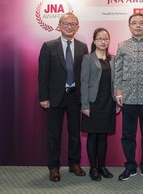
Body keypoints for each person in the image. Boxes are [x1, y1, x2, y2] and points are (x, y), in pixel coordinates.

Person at [38, 12, 88, 182]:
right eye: (66, 23)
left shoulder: (83, 47)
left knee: (75, 133)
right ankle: (53, 167)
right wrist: (43, 97)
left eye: (73, 24)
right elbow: (43, 74)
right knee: (54, 134)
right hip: (54, 97)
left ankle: (74, 164)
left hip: (75, 96)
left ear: (77, 27)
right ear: (59, 25)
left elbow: (84, 74)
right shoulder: (48, 46)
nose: (69, 26)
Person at [114, 13, 143, 181]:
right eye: (134, 23)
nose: (138, 25)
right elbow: (117, 71)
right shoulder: (122, 46)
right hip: (128, 98)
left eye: (141, 23)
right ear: (129, 26)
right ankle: (130, 166)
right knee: (128, 135)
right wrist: (118, 92)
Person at [81, 28, 119, 181]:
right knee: (93, 136)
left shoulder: (113, 59)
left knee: (103, 136)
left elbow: (117, 82)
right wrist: (85, 105)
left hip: (108, 102)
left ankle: (102, 166)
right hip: (93, 102)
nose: (103, 41)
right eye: (100, 38)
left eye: (106, 38)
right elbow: (83, 82)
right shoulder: (88, 58)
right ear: (94, 41)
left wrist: (117, 101)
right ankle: (93, 168)